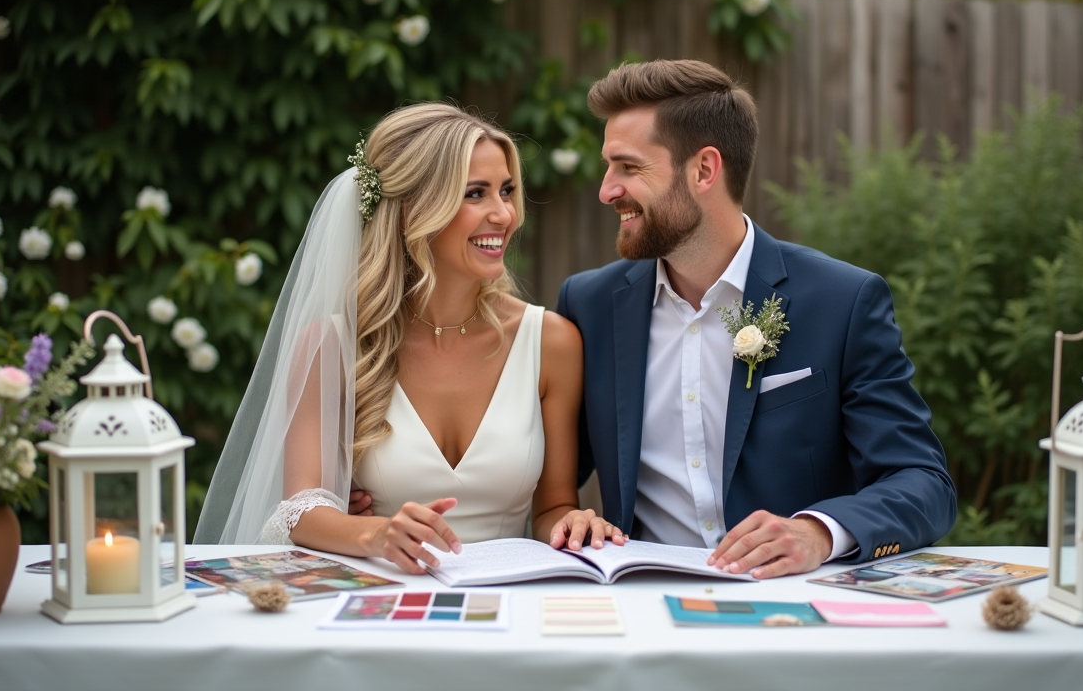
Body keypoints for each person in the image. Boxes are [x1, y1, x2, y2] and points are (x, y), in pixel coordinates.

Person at [556, 59, 957, 579]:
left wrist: (816, 533)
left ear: (704, 170)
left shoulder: (842, 301)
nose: (608, 190)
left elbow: (923, 481)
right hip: (643, 606)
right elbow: (544, 479)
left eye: (629, 168)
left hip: (792, 608)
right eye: (609, 168)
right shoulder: (589, 306)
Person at [194, 103, 625, 573]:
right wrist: (373, 533)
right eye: (474, 194)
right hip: (379, 600)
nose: (504, 214)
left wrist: (576, 522)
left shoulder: (551, 342)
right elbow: (298, 510)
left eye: (506, 191)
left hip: (507, 603)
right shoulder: (335, 346)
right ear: (411, 211)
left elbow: (551, 509)